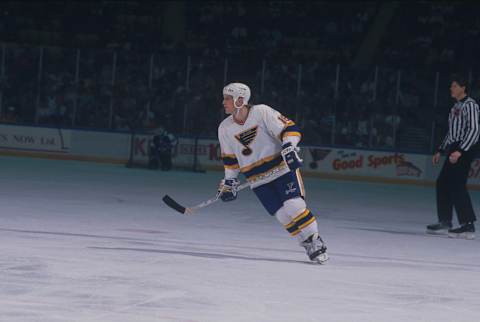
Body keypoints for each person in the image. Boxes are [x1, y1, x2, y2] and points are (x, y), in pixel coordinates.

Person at [216, 82, 328, 263]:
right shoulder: (224, 128)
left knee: (294, 206)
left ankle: (316, 241)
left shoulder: (261, 112)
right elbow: (230, 160)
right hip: (257, 179)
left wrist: (289, 147)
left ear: (240, 100)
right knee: (283, 215)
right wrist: (229, 181)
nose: (223, 102)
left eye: (228, 98)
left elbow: (290, 129)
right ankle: (305, 242)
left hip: (282, 170)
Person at [427, 75, 479, 239]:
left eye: (454, 86)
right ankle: (445, 221)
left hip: (465, 147)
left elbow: (474, 130)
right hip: (455, 147)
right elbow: (452, 133)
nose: (451, 88)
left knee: (457, 184)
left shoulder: (470, 105)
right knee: (443, 183)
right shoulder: (456, 106)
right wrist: (441, 150)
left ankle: (468, 224)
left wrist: (461, 150)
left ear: (463, 88)